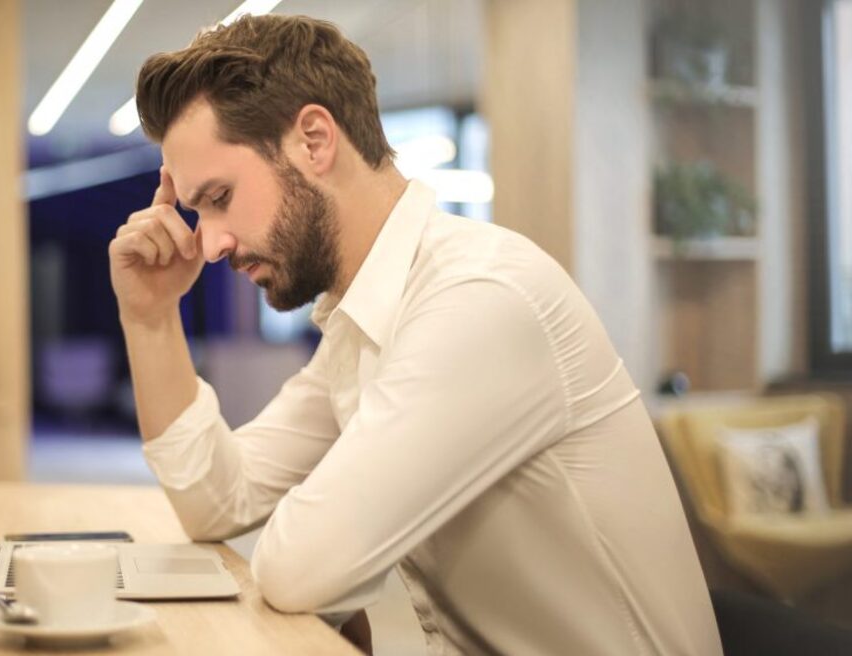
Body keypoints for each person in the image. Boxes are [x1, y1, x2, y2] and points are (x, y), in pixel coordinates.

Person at [108, 13, 721, 655]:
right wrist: (149, 318)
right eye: (197, 213)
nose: (209, 246)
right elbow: (218, 502)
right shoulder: (363, 319)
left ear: (314, 141)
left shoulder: (480, 299)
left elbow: (299, 567)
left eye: (220, 197)